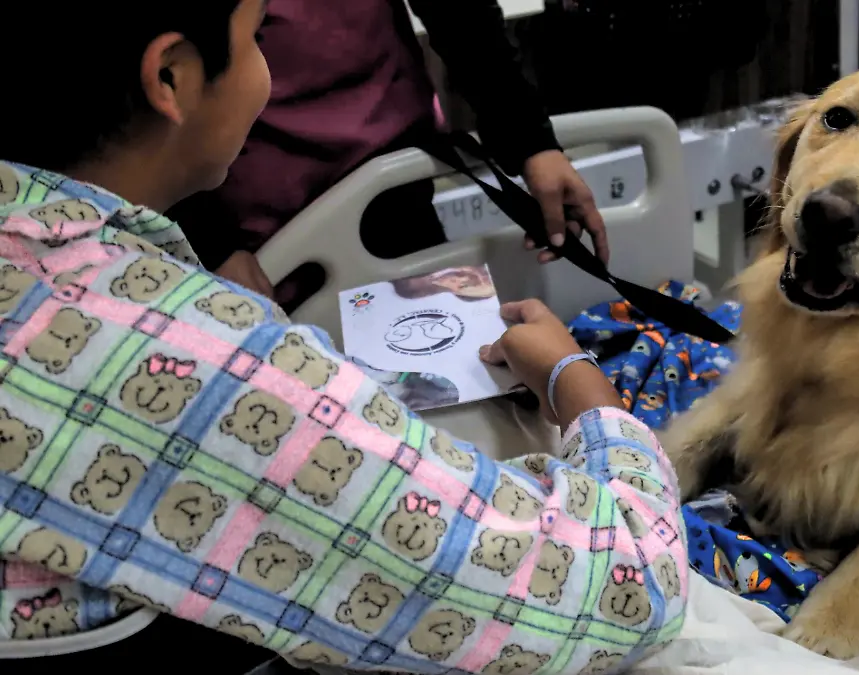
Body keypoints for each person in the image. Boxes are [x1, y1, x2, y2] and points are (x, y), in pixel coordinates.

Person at [0, 3, 685, 672]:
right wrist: (578, 382)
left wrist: (528, 137)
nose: (268, 65)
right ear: (172, 76)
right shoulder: (201, 361)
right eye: (256, 35)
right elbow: (625, 589)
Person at [166, 0, 608, 308]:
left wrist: (532, 143)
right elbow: (163, 93)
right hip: (254, 217)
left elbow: (462, 16)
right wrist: (211, 242)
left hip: (393, 178)